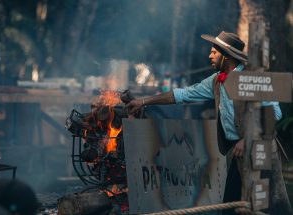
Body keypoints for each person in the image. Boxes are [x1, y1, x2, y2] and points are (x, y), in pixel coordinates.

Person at [126, 31, 293, 215]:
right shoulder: (215, 81)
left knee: (268, 208)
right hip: (236, 153)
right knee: (231, 206)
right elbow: (183, 94)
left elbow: (274, 113)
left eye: (214, 52)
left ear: (226, 56)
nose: (210, 56)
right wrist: (143, 101)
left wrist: (247, 139)